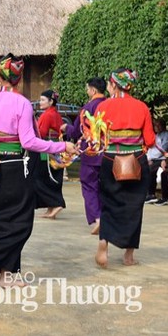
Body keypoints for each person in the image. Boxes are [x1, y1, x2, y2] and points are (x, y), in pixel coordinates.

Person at [0, 54, 76, 289]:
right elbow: (28, 141)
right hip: (16, 166)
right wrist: (60, 145)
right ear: (19, 79)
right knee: (20, 219)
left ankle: (6, 274)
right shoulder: (22, 104)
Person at [94, 68, 154, 268]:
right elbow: (151, 140)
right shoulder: (142, 107)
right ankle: (128, 256)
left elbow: (97, 138)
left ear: (113, 85)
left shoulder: (103, 106)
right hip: (136, 160)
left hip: (111, 159)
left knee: (109, 203)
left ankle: (104, 243)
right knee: (134, 207)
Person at [62, 77, 107, 234]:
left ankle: (98, 218)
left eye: (88, 89)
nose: (87, 91)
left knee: (89, 186)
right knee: (106, 187)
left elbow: (76, 131)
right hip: (108, 153)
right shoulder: (110, 106)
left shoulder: (87, 108)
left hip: (91, 153)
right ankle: (108, 219)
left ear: (93, 90)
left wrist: (65, 127)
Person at [33, 90, 66, 219]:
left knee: (41, 179)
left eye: (43, 100)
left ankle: (57, 203)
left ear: (51, 101)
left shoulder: (47, 115)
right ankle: (51, 206)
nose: (40, 102)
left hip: (47, 149)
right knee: (50, 178)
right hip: (55, 149)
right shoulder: (54, 113)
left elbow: (41, 132)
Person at [144, 119, 168, 203]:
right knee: (149, 170)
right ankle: (151, 194)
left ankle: (163, 197)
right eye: (156, 125)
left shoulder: (166, 135)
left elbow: (163, 149)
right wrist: (149, 158)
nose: (156, 127)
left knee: (161, 172)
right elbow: (151, 149)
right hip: (155, 159)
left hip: (162, 158)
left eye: (159, 125)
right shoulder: (156, 135)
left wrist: (152, 158)